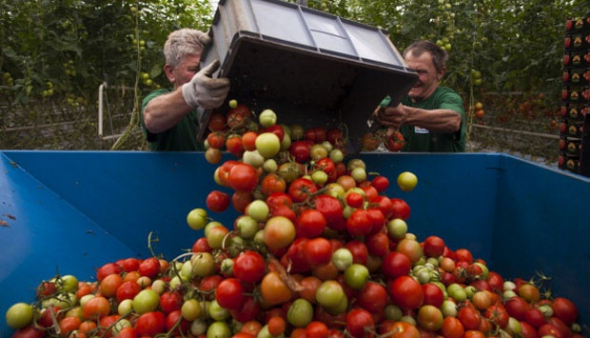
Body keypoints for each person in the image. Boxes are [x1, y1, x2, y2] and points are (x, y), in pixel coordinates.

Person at [141, 28, 230, 151]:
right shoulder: (160, 99)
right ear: (171, 72)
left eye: (207, 67)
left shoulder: (221, 102)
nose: (202, 74)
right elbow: (151, 118)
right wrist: (191, 93)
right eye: (194, 69)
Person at [374, 40, 465, 152]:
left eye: (421, 72)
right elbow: (376, 106)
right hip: (407, 169)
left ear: (440, 73)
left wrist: (406, 115)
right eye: (408, 71)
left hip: (445, 169)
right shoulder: (400, 96)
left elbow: (453, 121)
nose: (413, 78)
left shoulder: (447, 97)